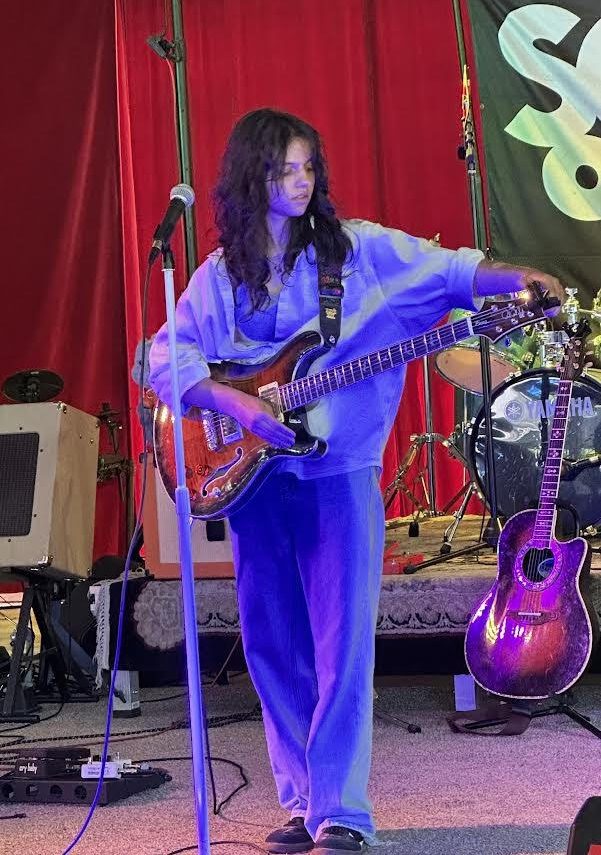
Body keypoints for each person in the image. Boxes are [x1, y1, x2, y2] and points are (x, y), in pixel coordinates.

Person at [148, 108, 564, 854]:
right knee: (272, 643)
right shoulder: (218, 278)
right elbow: (165, 353)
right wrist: (231, 399)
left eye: (309, 167)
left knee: (343, 645)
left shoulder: (361, 254)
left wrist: (514, 278)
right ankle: (303, 796)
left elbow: (451, 271)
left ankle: (342, 810)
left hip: (339, 474)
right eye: (284, 170)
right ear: (252, 179)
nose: (301, 182)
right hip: (253, 478)